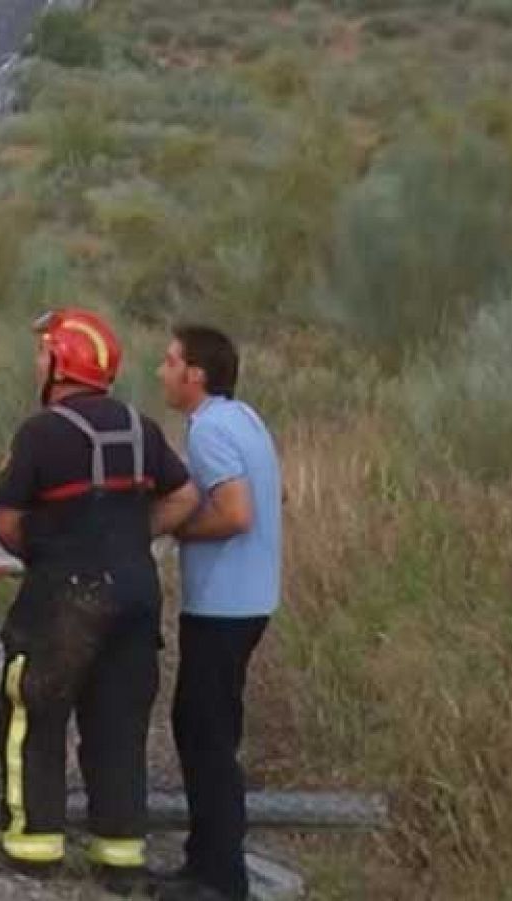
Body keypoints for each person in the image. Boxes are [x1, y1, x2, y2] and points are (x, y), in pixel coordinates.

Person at [0, 308, 199, 893]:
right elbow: (184, 498)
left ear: (60, 362)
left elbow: (7, 524)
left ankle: (33, 848)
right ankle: (120, 858)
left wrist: (49, 550)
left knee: (32, 711)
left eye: (43, 353)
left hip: (65, 597)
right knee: (118, 725)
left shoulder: (40, 432)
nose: (38, 363)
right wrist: (133, 537)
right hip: (136, 596)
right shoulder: (142, 428)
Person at [156, 325, 283, 901]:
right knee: (207, 729)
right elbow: (272, 497)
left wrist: (181, 528)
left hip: (224, 606)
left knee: (204, 735)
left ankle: (219, 877)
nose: (162, 370)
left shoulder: (209, 429)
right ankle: (204, 861)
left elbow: (236, 514)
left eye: (170, 361)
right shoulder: (245, 419)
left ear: (196, 375)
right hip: (252, 598)